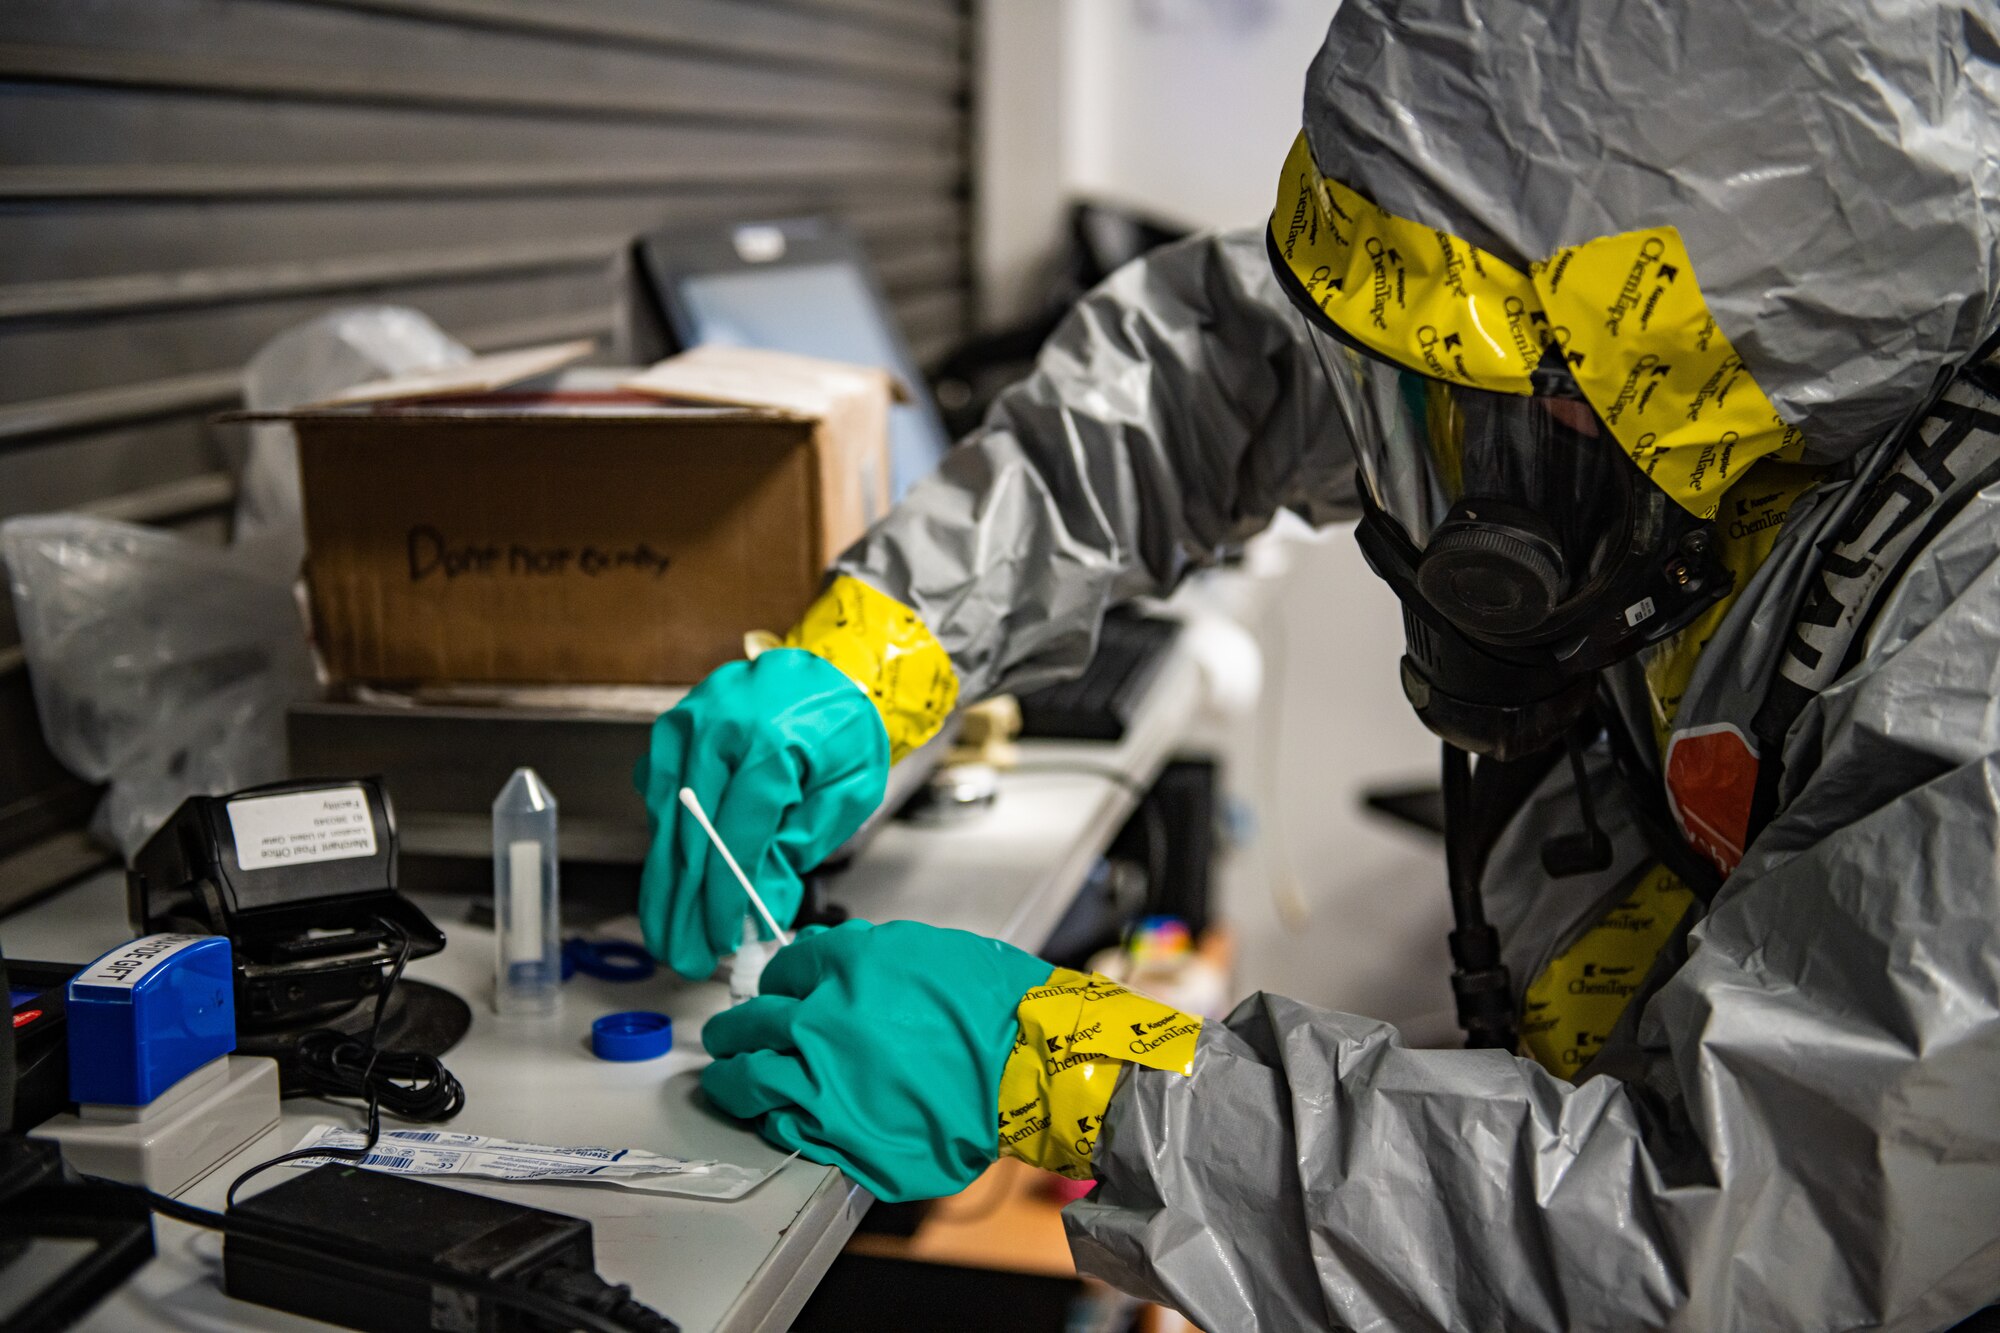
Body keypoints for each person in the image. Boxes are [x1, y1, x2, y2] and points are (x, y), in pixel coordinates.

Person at [635, 0, 2000, 1326]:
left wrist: (1087, 1077)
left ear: (1691, 362)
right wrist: (877, 651)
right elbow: (1218, 367)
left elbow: (1726, 1241)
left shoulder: (1973, 664)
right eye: (1424, 409)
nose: (1444, 510)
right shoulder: (1674, 320)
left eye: (1517, 423)